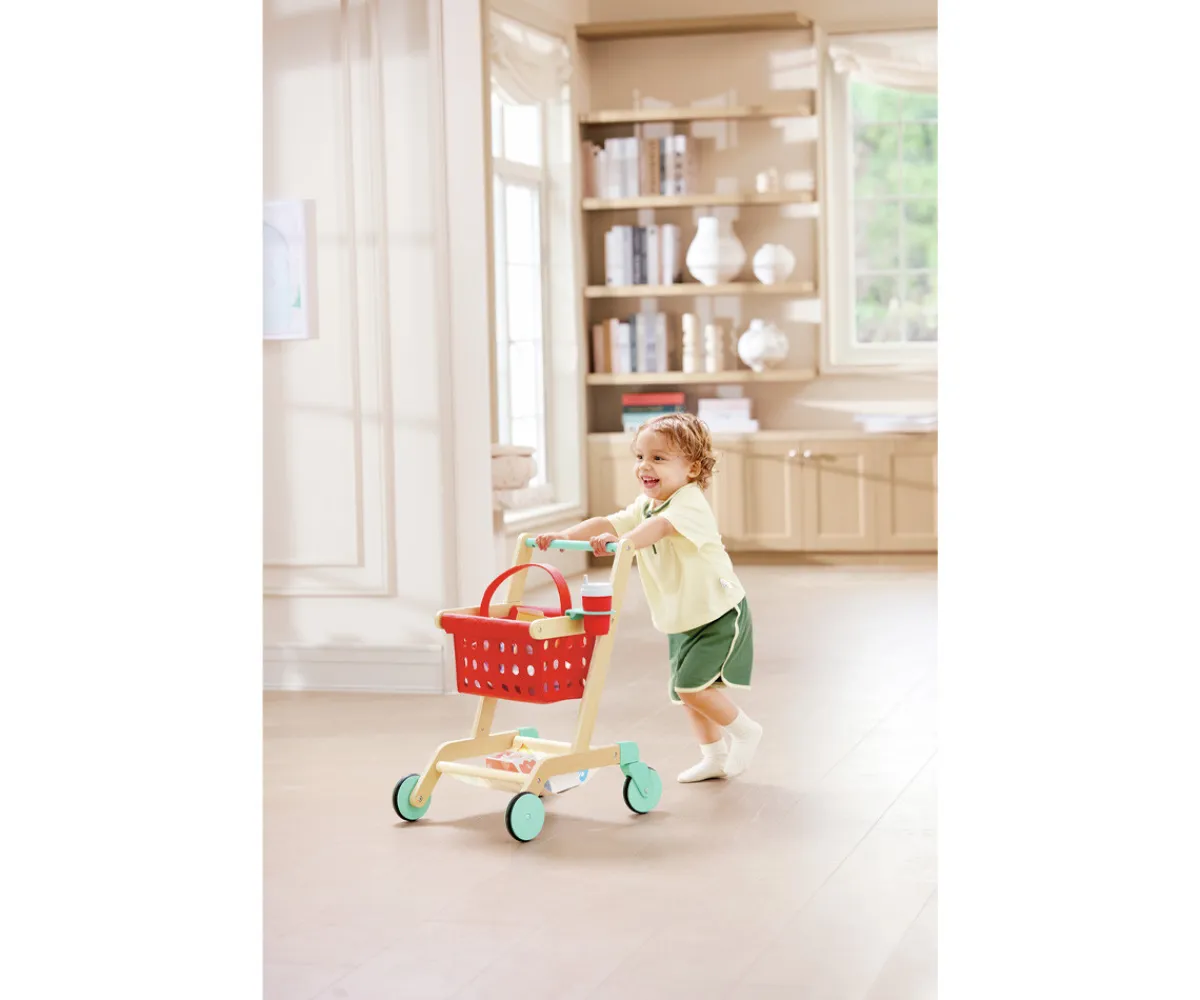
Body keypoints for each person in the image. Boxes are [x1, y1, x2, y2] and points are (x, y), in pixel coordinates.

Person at [536, 413, 761, 782]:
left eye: (658, 458)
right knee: (687, 693)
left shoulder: (688, 502)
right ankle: (714, 756)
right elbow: (609, 522)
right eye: (640, 456)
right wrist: (566, 535)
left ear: (692, 469)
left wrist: (623, 542)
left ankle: (746, 731)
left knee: (691, 687)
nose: (644, 466)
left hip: (717, 611)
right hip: (683, 616)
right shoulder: (646, 504)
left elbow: (657, 528)